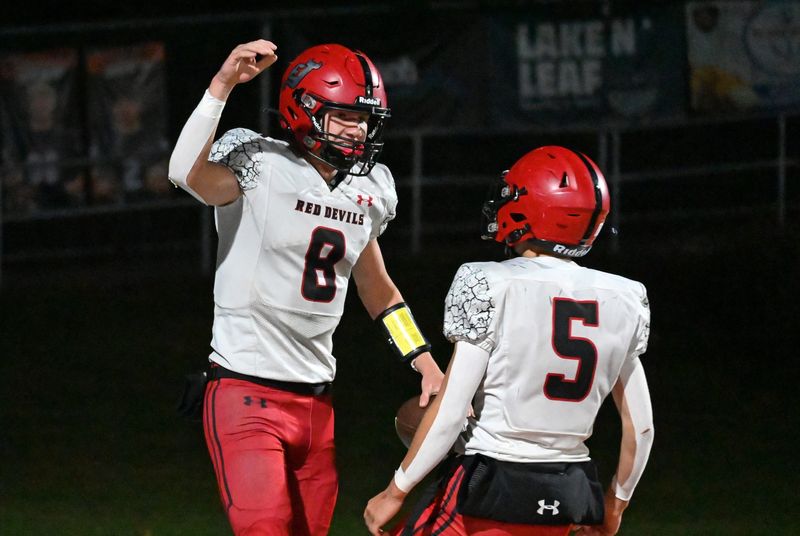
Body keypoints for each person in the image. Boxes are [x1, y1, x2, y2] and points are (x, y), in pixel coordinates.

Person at [168, 40, 444, 536]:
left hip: (317, 404)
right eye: (343, 117)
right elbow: (185, 174)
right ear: (306, 109)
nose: (357, 130)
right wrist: (222, 84)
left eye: (364, 119)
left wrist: (422, 360)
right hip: (244, 389)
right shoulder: (259, 165)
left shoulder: (369, 189)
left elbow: (377, 287)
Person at [364, 146, 654, 536]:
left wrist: (396, 491)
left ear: (532, 210)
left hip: (489, 483)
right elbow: (642, 426)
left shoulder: (488, 282)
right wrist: (616, 505)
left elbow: (451, 411)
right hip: (568, 493)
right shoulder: (625, 297)